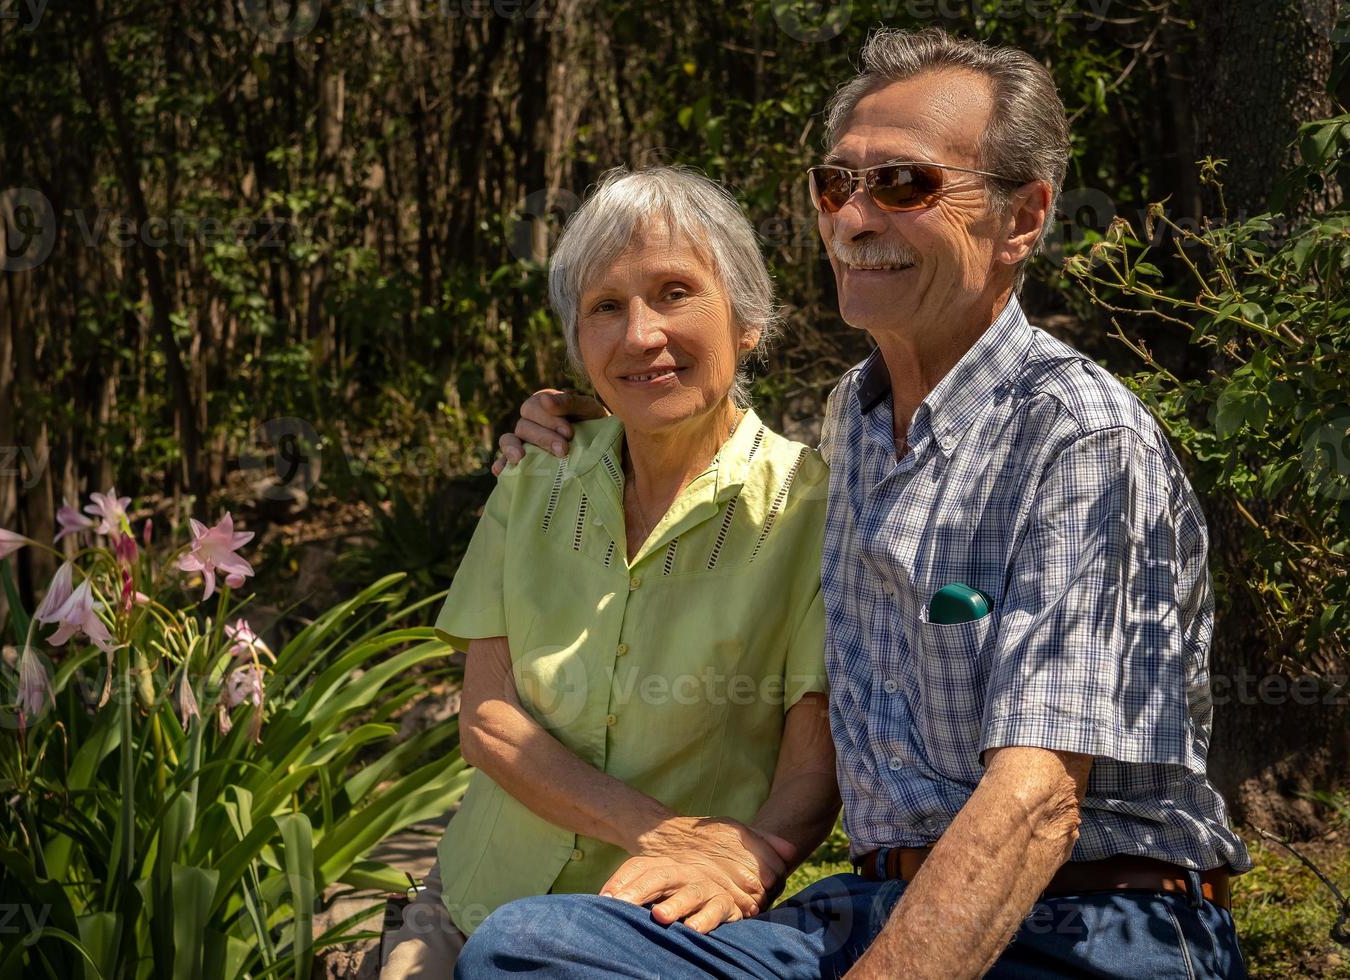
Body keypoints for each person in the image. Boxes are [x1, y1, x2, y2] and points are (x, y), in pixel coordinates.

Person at [462, 26, 1251, 980]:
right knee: (527, 949)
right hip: (874, 903)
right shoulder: (857, 421)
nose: (855, 219)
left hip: (1089, 917)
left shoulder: (1078, 441)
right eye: (837, 185)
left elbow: (1038, 802)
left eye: (907, 185)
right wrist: (587, 419)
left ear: (1023, 218)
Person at [377, 165, 841, 979]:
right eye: (605, 307)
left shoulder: (810, 508)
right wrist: (657, 828)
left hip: (660, 929)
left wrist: (738, 862)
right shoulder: (535, 475)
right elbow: (487, 718)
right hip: (474, 893)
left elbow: (813, 767)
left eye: (674, 292)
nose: (639, 335)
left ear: (749, 320)